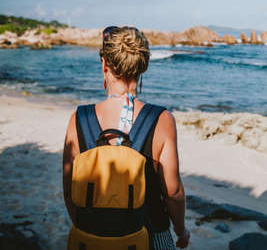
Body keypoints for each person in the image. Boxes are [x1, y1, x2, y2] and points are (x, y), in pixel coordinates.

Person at [63, 26, 190, 249]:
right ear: (145, 66)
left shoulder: (78, 119)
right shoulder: (161, 119)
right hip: (150, 235)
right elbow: (173, 192)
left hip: (91, 236)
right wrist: (181, 230)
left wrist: (93, 231)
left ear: (104, 65)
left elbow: (69, 190)